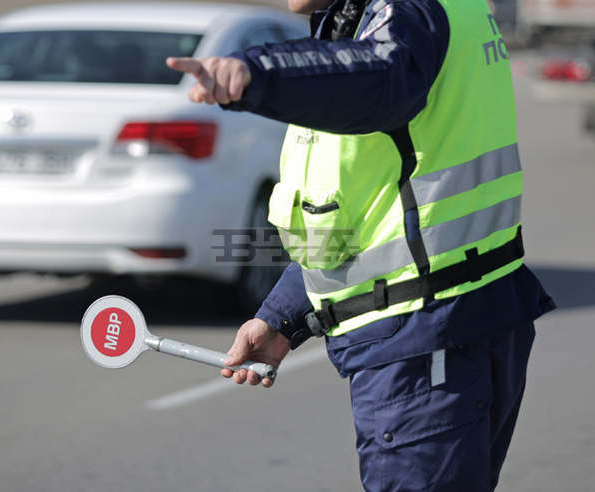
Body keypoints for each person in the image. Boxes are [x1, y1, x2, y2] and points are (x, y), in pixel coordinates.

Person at [166, 0, 556, 490]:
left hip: (424, 340)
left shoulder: (403, 15)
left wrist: (257, 72)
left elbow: (381, 78)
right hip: (452, 321)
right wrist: (281, 318)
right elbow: (373, 217)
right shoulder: (382, 19)